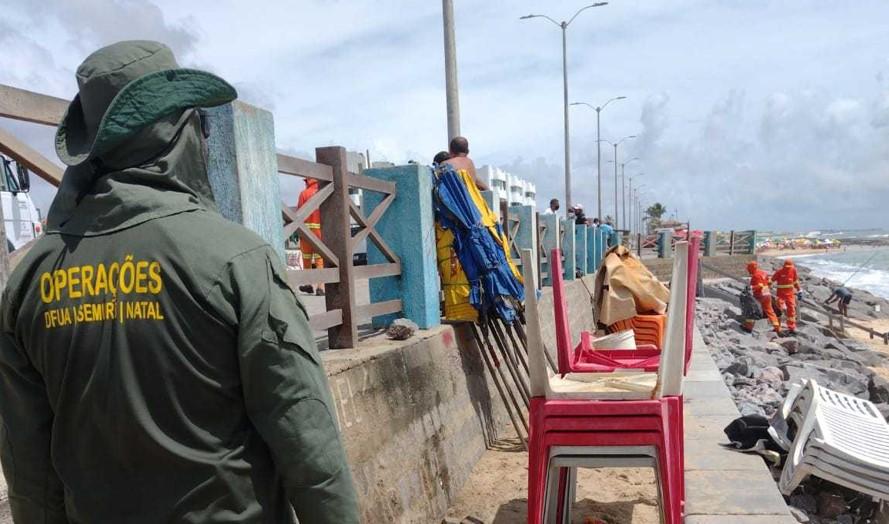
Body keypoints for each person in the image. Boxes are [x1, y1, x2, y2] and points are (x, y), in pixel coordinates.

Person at [0, 41, 358, 523]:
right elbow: (308, 445)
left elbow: (29, 469)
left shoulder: (30, 281)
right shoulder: (237, 261)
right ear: (181, 134)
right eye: (201, 125)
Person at [297, 177, 325, 295]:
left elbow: (299, 214)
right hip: (320, 231)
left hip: (306, 231)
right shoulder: (323, 192)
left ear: (307, 181)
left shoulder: (304, 194)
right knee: (320, 259)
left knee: (307, 258)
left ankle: (308, 284)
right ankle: (321, 287)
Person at [744, 261, 780, 333]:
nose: (748, 270)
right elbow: (769, 282)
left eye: (748, 269)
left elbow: (759, 285)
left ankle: (748, 327)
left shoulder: (755, 275)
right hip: (767, 295)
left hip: (759, 296)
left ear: (751, 268)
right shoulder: (763, 273)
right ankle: (777, 328)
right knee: (770, 311)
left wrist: (751, 288)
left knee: (751, 309)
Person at [772, 259, 801, 334]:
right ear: (783, 266)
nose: (788, 268)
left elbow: (795, 281)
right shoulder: (779, 272)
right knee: (779, 310)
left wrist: (799, 290)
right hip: (780, 294)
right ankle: (777, 327)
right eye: (786, 267)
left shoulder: (793, 270)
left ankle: (791, 327)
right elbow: (771, 280)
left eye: (789, 267)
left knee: (791, 310)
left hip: (790, 294)